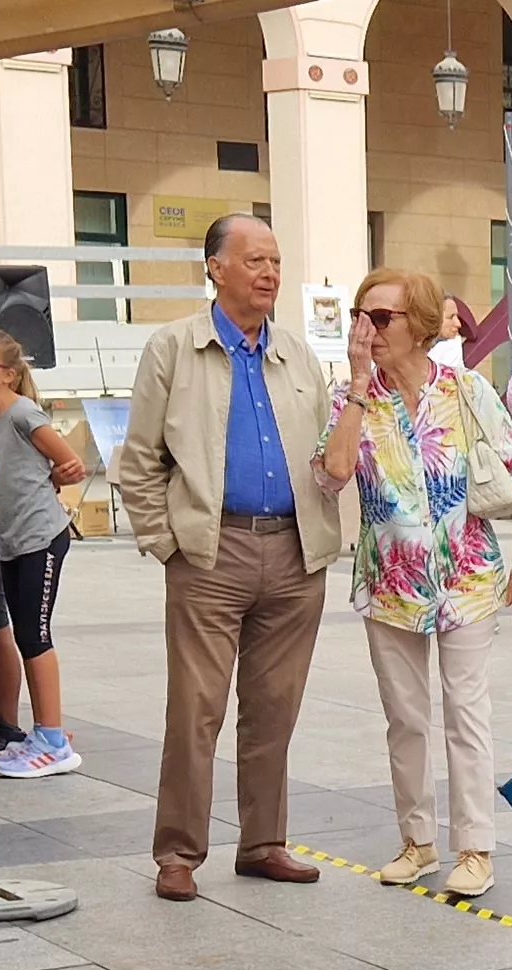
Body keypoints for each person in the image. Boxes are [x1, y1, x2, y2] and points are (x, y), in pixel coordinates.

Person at [113, 213, 341, 901]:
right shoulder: (173, 348)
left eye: (275, 261)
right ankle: (178, 852)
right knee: (196, 710)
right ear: (215, 268)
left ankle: (264, 843)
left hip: (294, 552)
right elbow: (140, 459)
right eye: (254, 260)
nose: (269, 273)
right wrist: (167, 543)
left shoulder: (296, 354)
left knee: (274, 709)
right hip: (211, 553)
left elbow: (327, 449)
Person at [319, 267, 512, 901]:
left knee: (466, 712)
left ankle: (475, 849)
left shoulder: (466, 389)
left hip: (466, 577)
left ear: (417, 326)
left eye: (381, 318)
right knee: (405, 717)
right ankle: (417, 842)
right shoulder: (351, 399)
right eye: (359, 316)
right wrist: (358, 387)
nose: (367, 329)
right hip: (390, 581)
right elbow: (333, 474)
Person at [0, 331, 87, 780]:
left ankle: (54, 741)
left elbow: (70, 462)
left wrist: (53, 478)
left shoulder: (21, 412)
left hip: (41, 537)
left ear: (10, 374)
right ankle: (41, 732)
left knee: (36, 637)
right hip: (13, 539)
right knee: (24, 636)